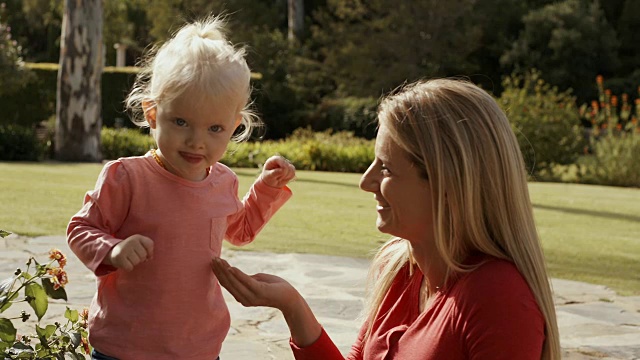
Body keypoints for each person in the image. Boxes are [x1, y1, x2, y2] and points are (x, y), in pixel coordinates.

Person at [211, 78, 562, 359]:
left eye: (386, 168)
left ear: (448, 184)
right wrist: (292, 306)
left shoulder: (498, 298)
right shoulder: (400, 267)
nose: (366, 182)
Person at [67, 15, 296, 360]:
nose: (196, 141)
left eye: (215, 128)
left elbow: (241, 229)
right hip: (125, 345)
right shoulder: (127, 177)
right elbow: (80, 228)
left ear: (234, 126)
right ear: (152, 113)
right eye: (181, 122)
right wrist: (112, 249)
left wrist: (265, 188)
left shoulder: (223, 181)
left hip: (198, 346)